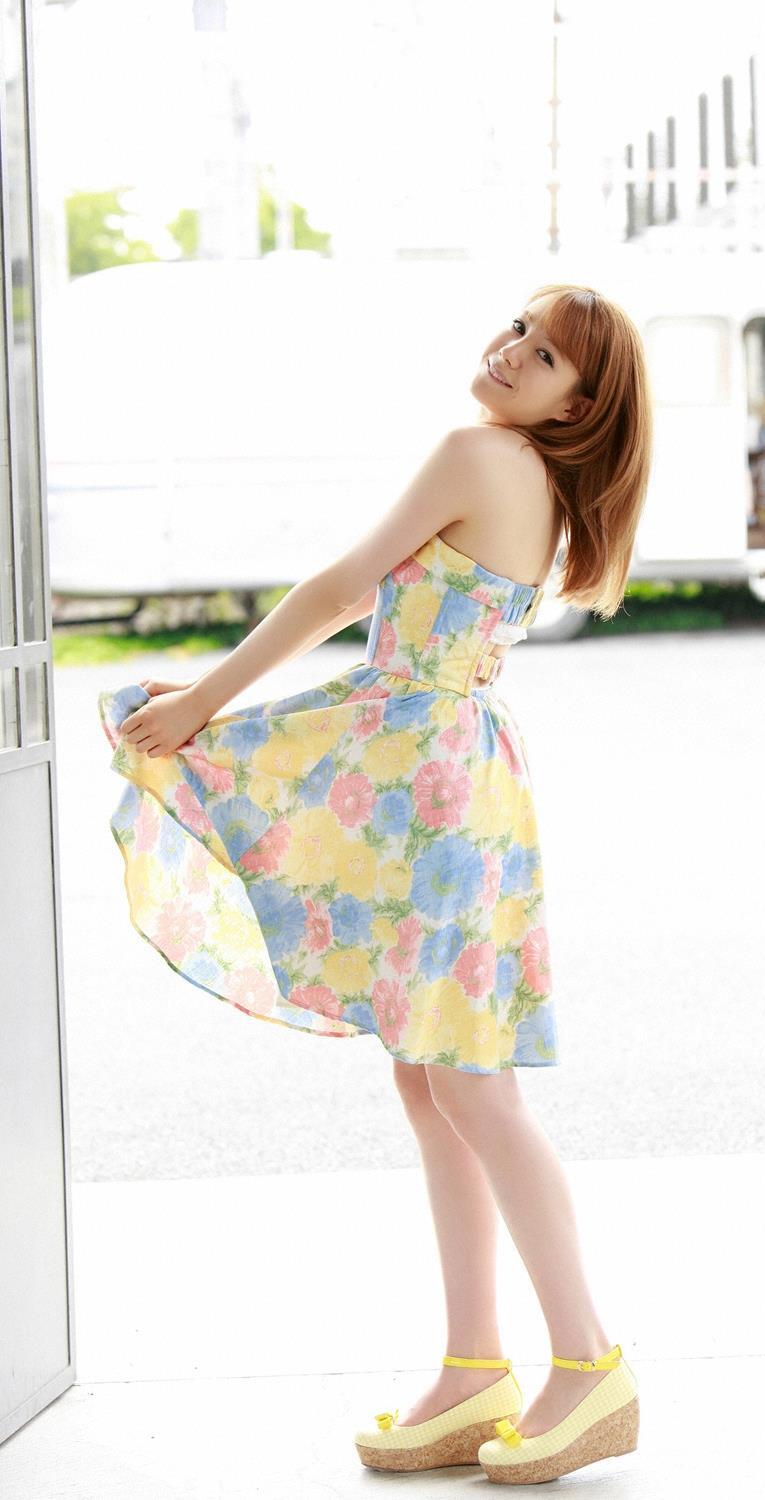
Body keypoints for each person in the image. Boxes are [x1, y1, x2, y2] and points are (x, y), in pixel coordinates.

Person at [96, 282, 653, 1483]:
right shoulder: (533, 472)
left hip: (432, 771)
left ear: (578, 402)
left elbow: (341, 587)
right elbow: (369, 608)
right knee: (433, 1078)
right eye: (518, 328)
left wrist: (206, 701)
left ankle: (587, 1364)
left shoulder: (479, 453)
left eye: (543, 354)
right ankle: (473, 1368)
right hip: (453, 766)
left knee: (470, 1087)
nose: (510, 352)